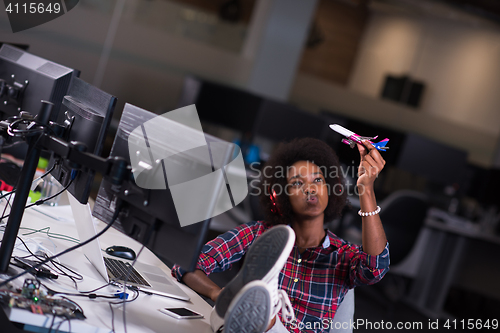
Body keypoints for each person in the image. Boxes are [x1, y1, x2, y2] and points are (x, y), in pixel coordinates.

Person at [172, 137, 390, 333]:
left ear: (330, 189)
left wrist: (366, 189)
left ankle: (263, 319)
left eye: (317, 180)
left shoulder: (343, 255)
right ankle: (253, 316)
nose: (310, 189)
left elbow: (375, 268)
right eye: (297, 183)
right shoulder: (259, 234)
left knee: (263, 321)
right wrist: (219, 295)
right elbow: (186, 264)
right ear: (281, 195)